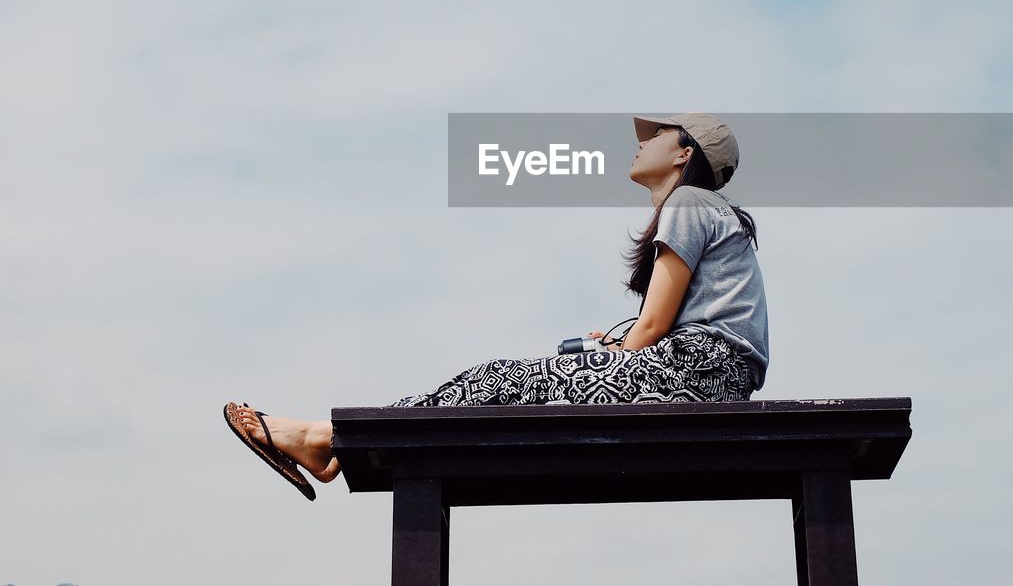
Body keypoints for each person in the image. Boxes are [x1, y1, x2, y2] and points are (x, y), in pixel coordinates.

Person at [224, 113, 769, 500]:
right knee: (500, 384)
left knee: (493, 383)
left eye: (659, 134)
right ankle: (331, 442)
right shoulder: (705, 210)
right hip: (706, 370)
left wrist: (623, 346)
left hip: (702, 371)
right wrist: (613, 345)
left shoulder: (691, 203)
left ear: (684, 153)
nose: (642, 141)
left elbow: (653, 328)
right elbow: (663, 324)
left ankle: (323, 438)